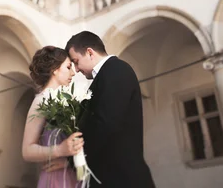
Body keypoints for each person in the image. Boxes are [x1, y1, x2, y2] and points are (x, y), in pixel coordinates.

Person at [66, 31, 156, 188]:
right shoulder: (106, 75)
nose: (77, 69)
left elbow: (105, 124)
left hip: (122, 177)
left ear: (89, 52)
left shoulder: (115, 70)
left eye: (76, 61)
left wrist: (74, 161)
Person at [22, 46, 84, 188]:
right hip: (56, 180)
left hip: (76, 176)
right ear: (54, 69)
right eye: (69, 67)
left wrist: (72, 162)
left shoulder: (68, 102)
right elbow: (27, 151)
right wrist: (60, 150)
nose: (73, 72)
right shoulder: (40, 101)